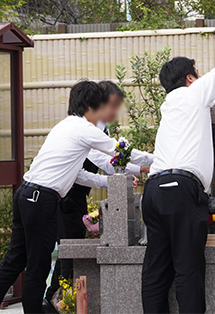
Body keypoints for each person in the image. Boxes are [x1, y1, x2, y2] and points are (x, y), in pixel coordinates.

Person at [0, 80, 153, 314]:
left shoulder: (65, 126)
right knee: (38, 266)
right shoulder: (84, 129)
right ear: (91, 106)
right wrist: (156, 161)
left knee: (15, 260)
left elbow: (78, 175)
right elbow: (119, 151)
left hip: (27, 193)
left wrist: (107, 182)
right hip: (42, 199)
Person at [141, 20, 215, 313]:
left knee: (156, 269)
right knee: (188, 269)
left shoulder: (173, 104)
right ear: (191, 78)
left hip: (154, 192)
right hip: (181, 192)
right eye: (199, 75)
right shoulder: (192, 95)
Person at [43, 81, 149, 311]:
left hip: (76, 195)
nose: (113, 111)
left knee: (71, 250)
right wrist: (142, 167)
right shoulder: (86, 126)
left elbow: (112, 164)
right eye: (111, 105)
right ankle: (55, 301)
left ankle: (58, 300)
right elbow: (106, 159)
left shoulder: (99, 126)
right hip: (66, 194)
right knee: (68, 251)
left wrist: (120, 174)